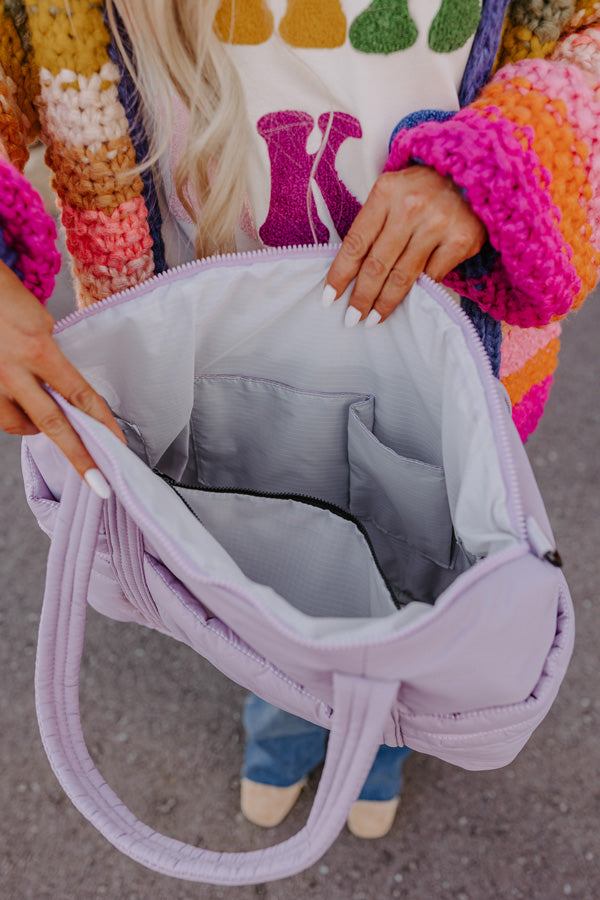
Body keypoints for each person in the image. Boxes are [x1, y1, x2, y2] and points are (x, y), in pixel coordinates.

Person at [1, 0, 599, 839]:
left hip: (444, 357)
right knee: (263, 580)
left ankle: (386, 732)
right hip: (214, 361)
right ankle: (289, 718)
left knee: (422, 565)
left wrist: (507, 158)